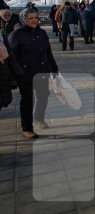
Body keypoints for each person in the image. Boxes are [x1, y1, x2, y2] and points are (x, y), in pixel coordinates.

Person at [9, 10, 59, 139]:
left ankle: (39, 118)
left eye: (35, 18)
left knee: (43, 96)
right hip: (24, 74)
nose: (34, 20)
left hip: (42, 71)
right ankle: (27, 128)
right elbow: (12, 57)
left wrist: (54, 69)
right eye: (30, 18)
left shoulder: (41, 33)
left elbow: (48, 53)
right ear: (23, 19)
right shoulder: (17, 35)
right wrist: (13, 76)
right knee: (27, 100)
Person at [0, 31, 21, 111]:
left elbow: (10, 55)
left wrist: (17, 71)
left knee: (4, 99)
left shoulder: (2, 37)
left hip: (3, 73)